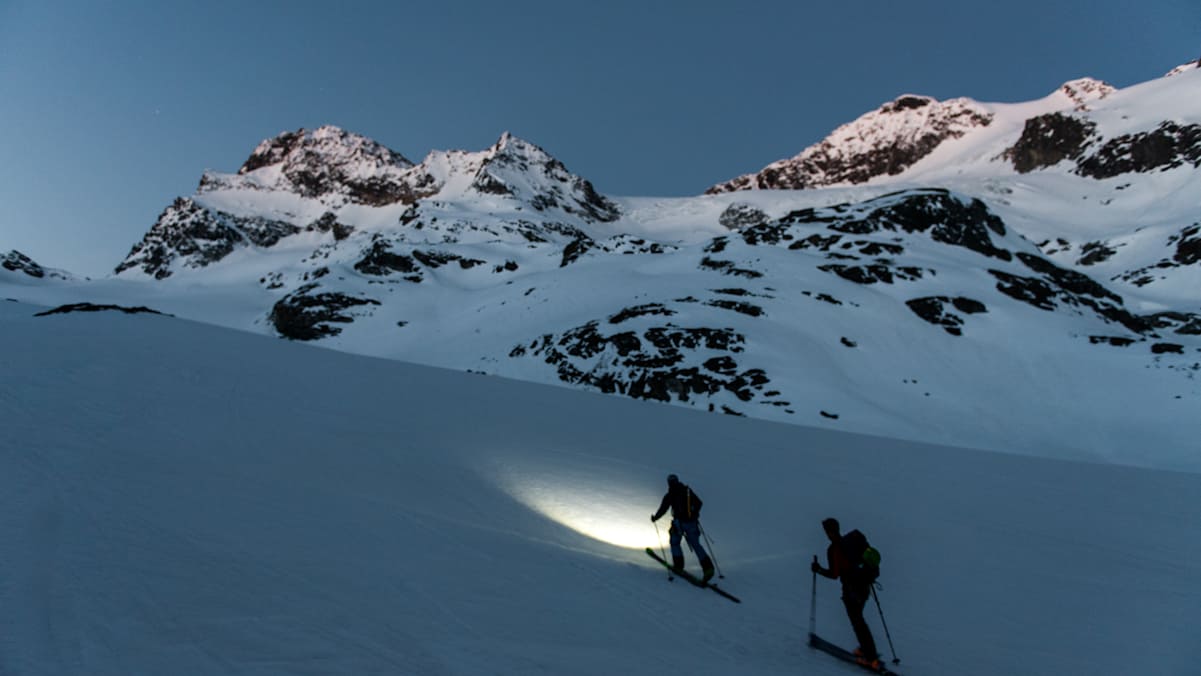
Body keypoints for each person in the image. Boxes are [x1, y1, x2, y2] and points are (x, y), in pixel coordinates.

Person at [811, 517, 880, 670]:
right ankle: (865, 649)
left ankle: (871, 657)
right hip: (864, 588)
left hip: (852, 591)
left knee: (858, 622)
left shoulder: (834, 549)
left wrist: (818, 569)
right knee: (859, 620)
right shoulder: (851, 542)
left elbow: (834, 574)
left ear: (829, 532)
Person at [650, 474, 715, 582]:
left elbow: (663, 509)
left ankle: (679, 566)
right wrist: (694, 514)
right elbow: (699, 503)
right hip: (692, 523)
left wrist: (655, 518)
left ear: (669, 483)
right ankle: (708, 568)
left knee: (674, 542)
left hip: (679, 523)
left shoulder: (670, 495)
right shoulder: (687, 491)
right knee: (696, 545)